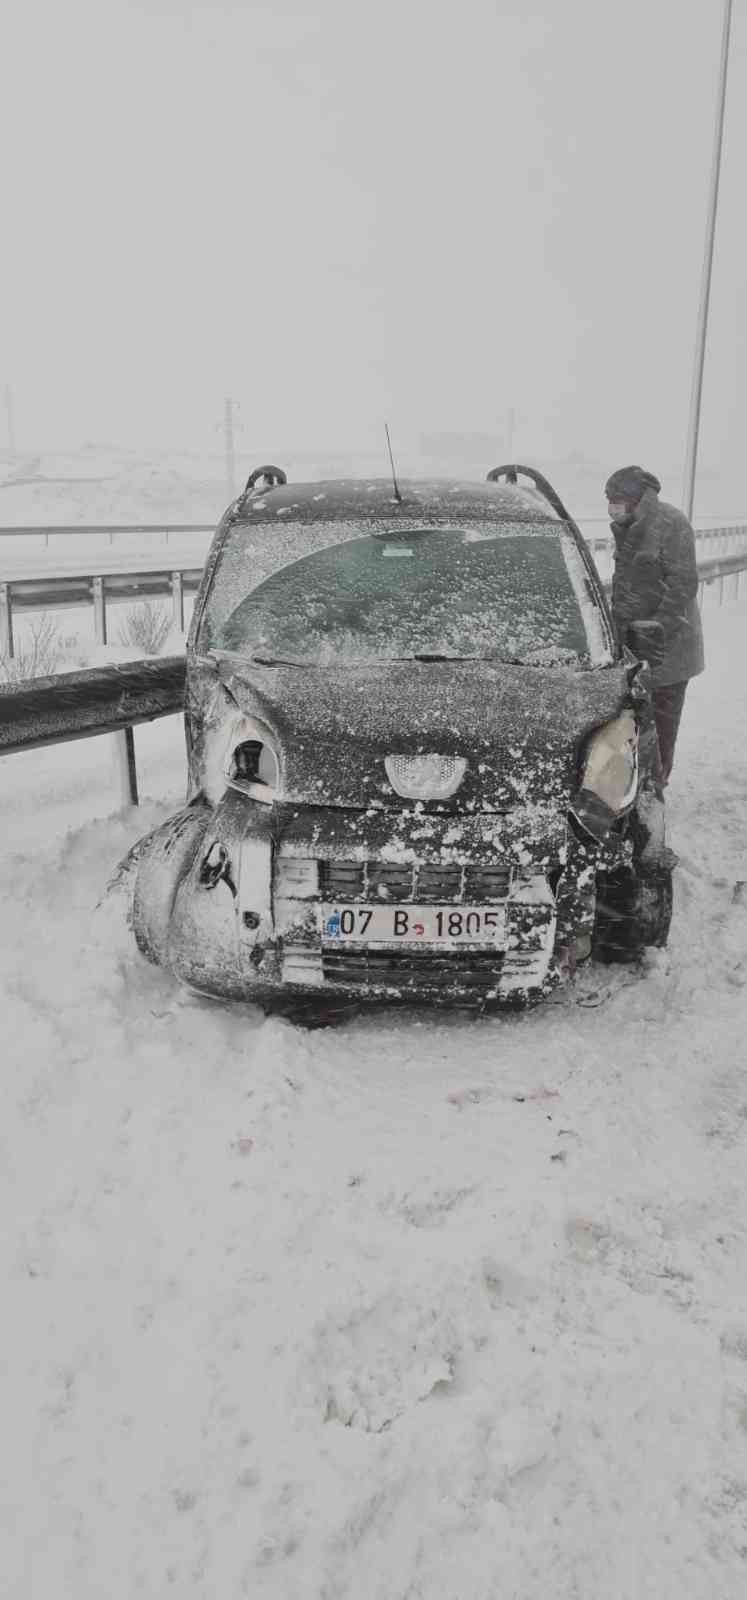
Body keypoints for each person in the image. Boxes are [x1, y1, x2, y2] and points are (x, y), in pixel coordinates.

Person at [604, 465, 704, 783]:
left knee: (660, 728)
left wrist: (654, 636)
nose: (611, 506)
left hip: (669, 650)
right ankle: (629, 786)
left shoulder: (671, 524)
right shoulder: (626, 527)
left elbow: (682, 587)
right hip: (634, 646)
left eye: (617, 499)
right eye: (608, 499)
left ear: (636, 499)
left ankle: (656, 788)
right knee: (629, 726)